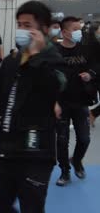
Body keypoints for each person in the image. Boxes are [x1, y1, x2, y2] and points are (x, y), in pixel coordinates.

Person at [0, 0, 66, 213]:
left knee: (32, 206)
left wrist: (36, 58)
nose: (22, 30)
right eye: (20, 24)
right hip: (6, 149)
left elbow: (55, 91)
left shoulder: (54, 62)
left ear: (44, 29)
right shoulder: (11, 61)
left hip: (36, 151)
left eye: (28, 25)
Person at [55, 16, 95, 186]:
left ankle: (77, 161)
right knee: (62, 140)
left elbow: (96, 68)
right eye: (75, 29)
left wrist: (90, 75)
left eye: (80, 29)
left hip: (81, 102)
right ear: (64, 32)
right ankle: (65, 171)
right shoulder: (54, 52)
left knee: (84, 139)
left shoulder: (85, 50)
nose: (79, 32)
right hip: (62, 103)